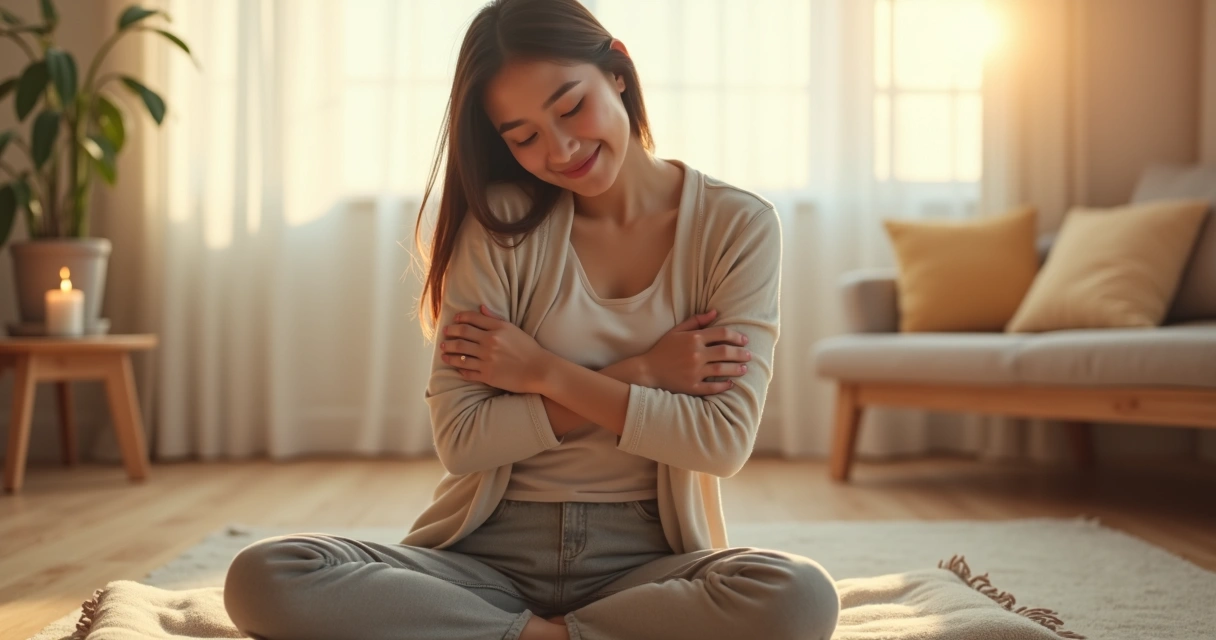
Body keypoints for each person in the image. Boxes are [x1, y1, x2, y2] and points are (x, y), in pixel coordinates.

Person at [222, 1, 839, 638]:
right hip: (485, 560)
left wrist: (543, 372)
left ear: (618, 70)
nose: (561, 148)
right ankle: (550, 635)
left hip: (650, 564)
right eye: (523, 136)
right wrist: (646, 372)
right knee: (266, 573)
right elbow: (464, 442)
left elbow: (719, 442)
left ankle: (498, 634)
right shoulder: (502, 225)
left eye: (571, 106)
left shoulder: (737, 225)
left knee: (798, 596)